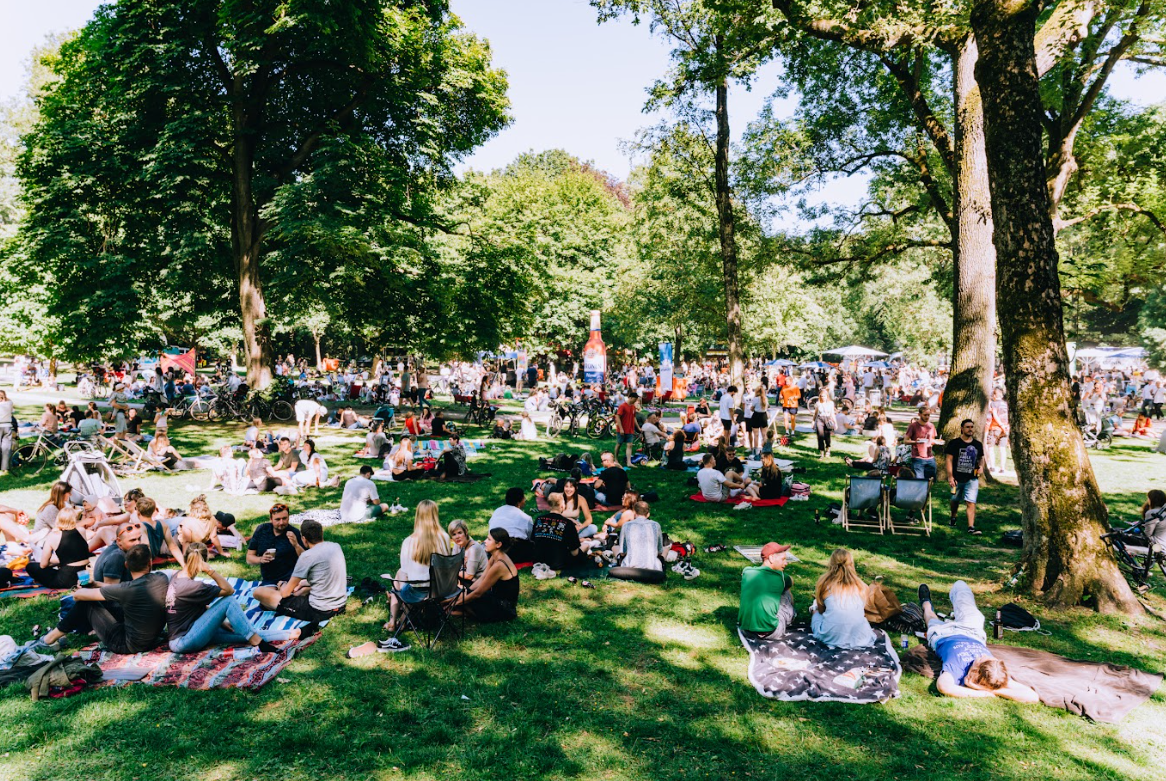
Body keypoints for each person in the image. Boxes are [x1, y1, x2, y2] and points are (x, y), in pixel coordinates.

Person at [917, 582, 1039, 702]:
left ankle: (926, 603)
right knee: (960, 585)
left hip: (943, 634)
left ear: (975, 670)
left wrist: (982, 691)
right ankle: (953, 614)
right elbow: (1033, 696)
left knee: (930, 617)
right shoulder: (998, 674)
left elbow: (944, 687)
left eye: (983, 659)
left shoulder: (957, 670)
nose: (985, 655)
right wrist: (992, 692)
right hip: (972, 632)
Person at [166, 543, 296, 654]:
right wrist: (210, 571)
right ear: (205, 561)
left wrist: (221, 622)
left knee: (241, 632)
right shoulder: (194, 586)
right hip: (185, 640)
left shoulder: (177, 576)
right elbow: (229, 590)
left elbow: (200, 606)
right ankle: (257, 642)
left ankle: (290, 634)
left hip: (186, 634)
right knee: (229, 602)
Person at [38, 543, 168, 653]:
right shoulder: (161, 578)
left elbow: (78, 596)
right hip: (152, 637)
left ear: (126, 565)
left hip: (127, 644)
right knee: (108, 601)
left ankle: (48, 640)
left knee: (86, 603)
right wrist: (96, 584)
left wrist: (83, 590)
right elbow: (119, 589)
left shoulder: (127, 590)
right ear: (150, 562)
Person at [380, 500, 453, 641]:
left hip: (417, 594)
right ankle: (401, 619)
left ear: (418, 516)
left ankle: (394, 620)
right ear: (435, 515)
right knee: (403, 575)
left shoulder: (409, 541)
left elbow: (406, 571)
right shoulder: (444, 537)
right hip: (441, 591)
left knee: (399, 576)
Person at [253, 519, 348, 623]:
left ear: (304, 538)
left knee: (259, 592)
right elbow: (313, 562)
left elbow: (285, 594)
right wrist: (296, 546)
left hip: (320, 611)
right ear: (321, 533)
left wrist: (282, 585)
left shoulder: (307, 557)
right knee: (301, 586)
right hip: (340, 605)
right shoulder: (335, 546)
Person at [443, 527, 519, 625]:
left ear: (498, 544)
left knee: (467, 599)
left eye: (489, 539)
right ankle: (449, 607)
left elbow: (478, 593)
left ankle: (451, 608)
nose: (485, 542)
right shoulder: (495, 556)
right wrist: (466, 592)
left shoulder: (499, 565)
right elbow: (482, 578)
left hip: (504, 608)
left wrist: (457, 602)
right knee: (465, 592)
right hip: (495, 598)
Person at [810, 549, 876, 649]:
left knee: (816, 613)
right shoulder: (862, 586)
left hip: (830, 637)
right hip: (860, 638)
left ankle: (813, 609)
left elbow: (821, 611)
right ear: (852, 564)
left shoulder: (824, 584)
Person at [23, 508, 91, 589]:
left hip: (65, 580)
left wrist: (50, 564)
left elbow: (43, 565)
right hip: (83, 576)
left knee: (31, 567)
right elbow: (79, 554)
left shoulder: (53, 536)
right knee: (56, 561)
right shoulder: (81, 530)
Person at [738, 542, 795, 638]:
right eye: (783, 559)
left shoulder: (747, 571)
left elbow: (745, 573)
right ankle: (791, 617)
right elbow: (791, 582)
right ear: (771, 558)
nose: (786, 563)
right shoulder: (781, 577)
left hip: (746, 631)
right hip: (772, 632)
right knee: (786, 591)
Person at [945, 419, 986, 535]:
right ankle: (953, 517)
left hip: (972, 478)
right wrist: (950, 476)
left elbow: (981, 458)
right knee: (954, 500)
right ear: (962, 428)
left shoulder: (977, 444)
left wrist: (981, 467)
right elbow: (948, 459)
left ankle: (971, 526)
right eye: (967, 427)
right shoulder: (954, 443)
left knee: (971, 501)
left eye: (972, 427)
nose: (970, 429)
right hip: (957, 478)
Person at [609, 501, 667, 583]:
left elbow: (622, 552)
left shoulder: (626, 525)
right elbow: (660, 551)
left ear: (634, 513)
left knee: (615, 547)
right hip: (653, 567)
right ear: (648, 514)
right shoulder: (656, 525)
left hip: (630, 566)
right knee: (666, 549)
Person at [246, 504, 305, 584]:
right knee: (258, 593)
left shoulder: (294, 533)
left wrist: (296, 545)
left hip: (290, 579)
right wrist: (261, 559)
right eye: (277, 519)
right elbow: (249, 557)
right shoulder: (262, 530)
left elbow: (306, 560)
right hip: (269, 579)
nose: (281, 522)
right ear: (271, 519)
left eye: (284, 518)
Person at [531, 493, 587, 571]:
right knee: (585, 546)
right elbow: (574, 552)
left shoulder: (539, 519)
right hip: (558, 562)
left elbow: (533, 540)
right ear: (562, 505)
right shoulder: (568, 523)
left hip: (538, 560)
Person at [487, 487, 535, 562]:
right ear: (519, 502)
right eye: (524, 498)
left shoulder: (497, 511)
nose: (525, 500)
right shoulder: (526, 518)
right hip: (515, 551)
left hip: (495, 548)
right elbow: (530, 536)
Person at [905, 407, 942, 480]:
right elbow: (905, 441)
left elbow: (931, 440)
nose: (927, 417)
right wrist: (916, 442)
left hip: (930, 457)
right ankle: (920, 491)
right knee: (920, 480)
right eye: (925, 415)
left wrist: (937, 441)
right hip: (917, 457)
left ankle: (927, 491)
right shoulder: (913, 426)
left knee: (931, 479)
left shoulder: (931, 426)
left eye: (928, 415)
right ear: (919, 414)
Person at [449, 519, 487, 586]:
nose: (457, 537)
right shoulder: (457, 544)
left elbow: (469, 576)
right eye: (454, 534)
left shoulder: (474, 549)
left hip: (477, 583)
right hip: (463, 577)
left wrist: (452, 571)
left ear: (466, 532)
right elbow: (453, 563)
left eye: (460, 533)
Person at [985, 388, 1011, 475]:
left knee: (991, 447)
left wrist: (1001, 425)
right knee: (1002, 448)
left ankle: (992, 466)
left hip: (995, 428)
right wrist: (1005, 426)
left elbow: (995, 415)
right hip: (1005, 429)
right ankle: (1002, 468)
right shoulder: (1006, 404)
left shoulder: (993, 403)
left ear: (995, 395)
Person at [615, 391, 640, 468]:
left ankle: (629, 462)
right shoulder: (622, 406)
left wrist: (638, 427)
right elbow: (617, 417)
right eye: (634, 399)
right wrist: (621, 428)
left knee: (629, 445)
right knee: (619, 444)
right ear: (630, 398)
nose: (635, 401)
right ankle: (615, 459)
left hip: (630, 429)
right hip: (622, 429)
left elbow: (634, 417)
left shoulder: (633, 407)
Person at [812, 388, 835, 458]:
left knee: (827, 436)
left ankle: (828, 450)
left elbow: (832, 414)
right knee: (820, 435)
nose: (823, 398)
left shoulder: (831, 403)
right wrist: (813, 421)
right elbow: (815, 413)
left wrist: (835, 423)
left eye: (824, 396)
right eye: (821, 396)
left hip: (827, 419)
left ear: (827, 396)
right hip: (820, 419)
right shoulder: (818, 404)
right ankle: (821, 452)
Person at [0, 389, 13, 474]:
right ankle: (5, 468)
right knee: (6, 448)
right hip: (7, 426)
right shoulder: (9, 403)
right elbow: (9, 400)